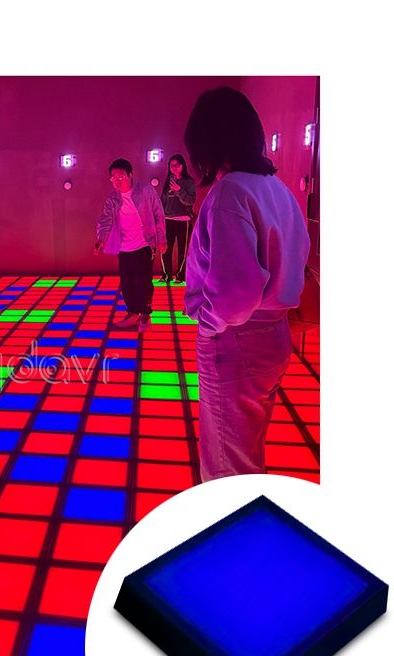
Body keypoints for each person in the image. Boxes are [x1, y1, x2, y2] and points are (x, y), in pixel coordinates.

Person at [183, 87, 310, 481]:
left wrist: (208, 326)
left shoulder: (230, 192)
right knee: (246, 451)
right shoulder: (277, 188)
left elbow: (236, 293)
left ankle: (234, 521)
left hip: (236, 339)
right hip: (274, 335)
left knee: (226, 463)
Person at [95, 158, 166, 332]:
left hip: (144, 243)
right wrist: (101, 240)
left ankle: (145, 314)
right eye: (113, 178)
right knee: (127, 282)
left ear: (130, 175)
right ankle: (133, 313)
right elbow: (105, 220)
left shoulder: (145, 191)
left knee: (143, 281)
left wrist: (161, 238)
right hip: (124, 246)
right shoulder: (113, 198)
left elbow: (158, 213)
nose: (116, 181)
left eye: (120, 176)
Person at [159, 153, 196, 283]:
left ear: (183, 166)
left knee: (182, 250)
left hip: (183, 220)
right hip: (168, 219)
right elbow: (163, 201)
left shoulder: (188, 182)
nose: (174, 168)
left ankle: (180, 276)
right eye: (171, 165)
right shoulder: (167, 182)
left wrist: (179, 190)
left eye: (177, 165)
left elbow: (191, 201)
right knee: (165, 248)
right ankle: (166, 275)